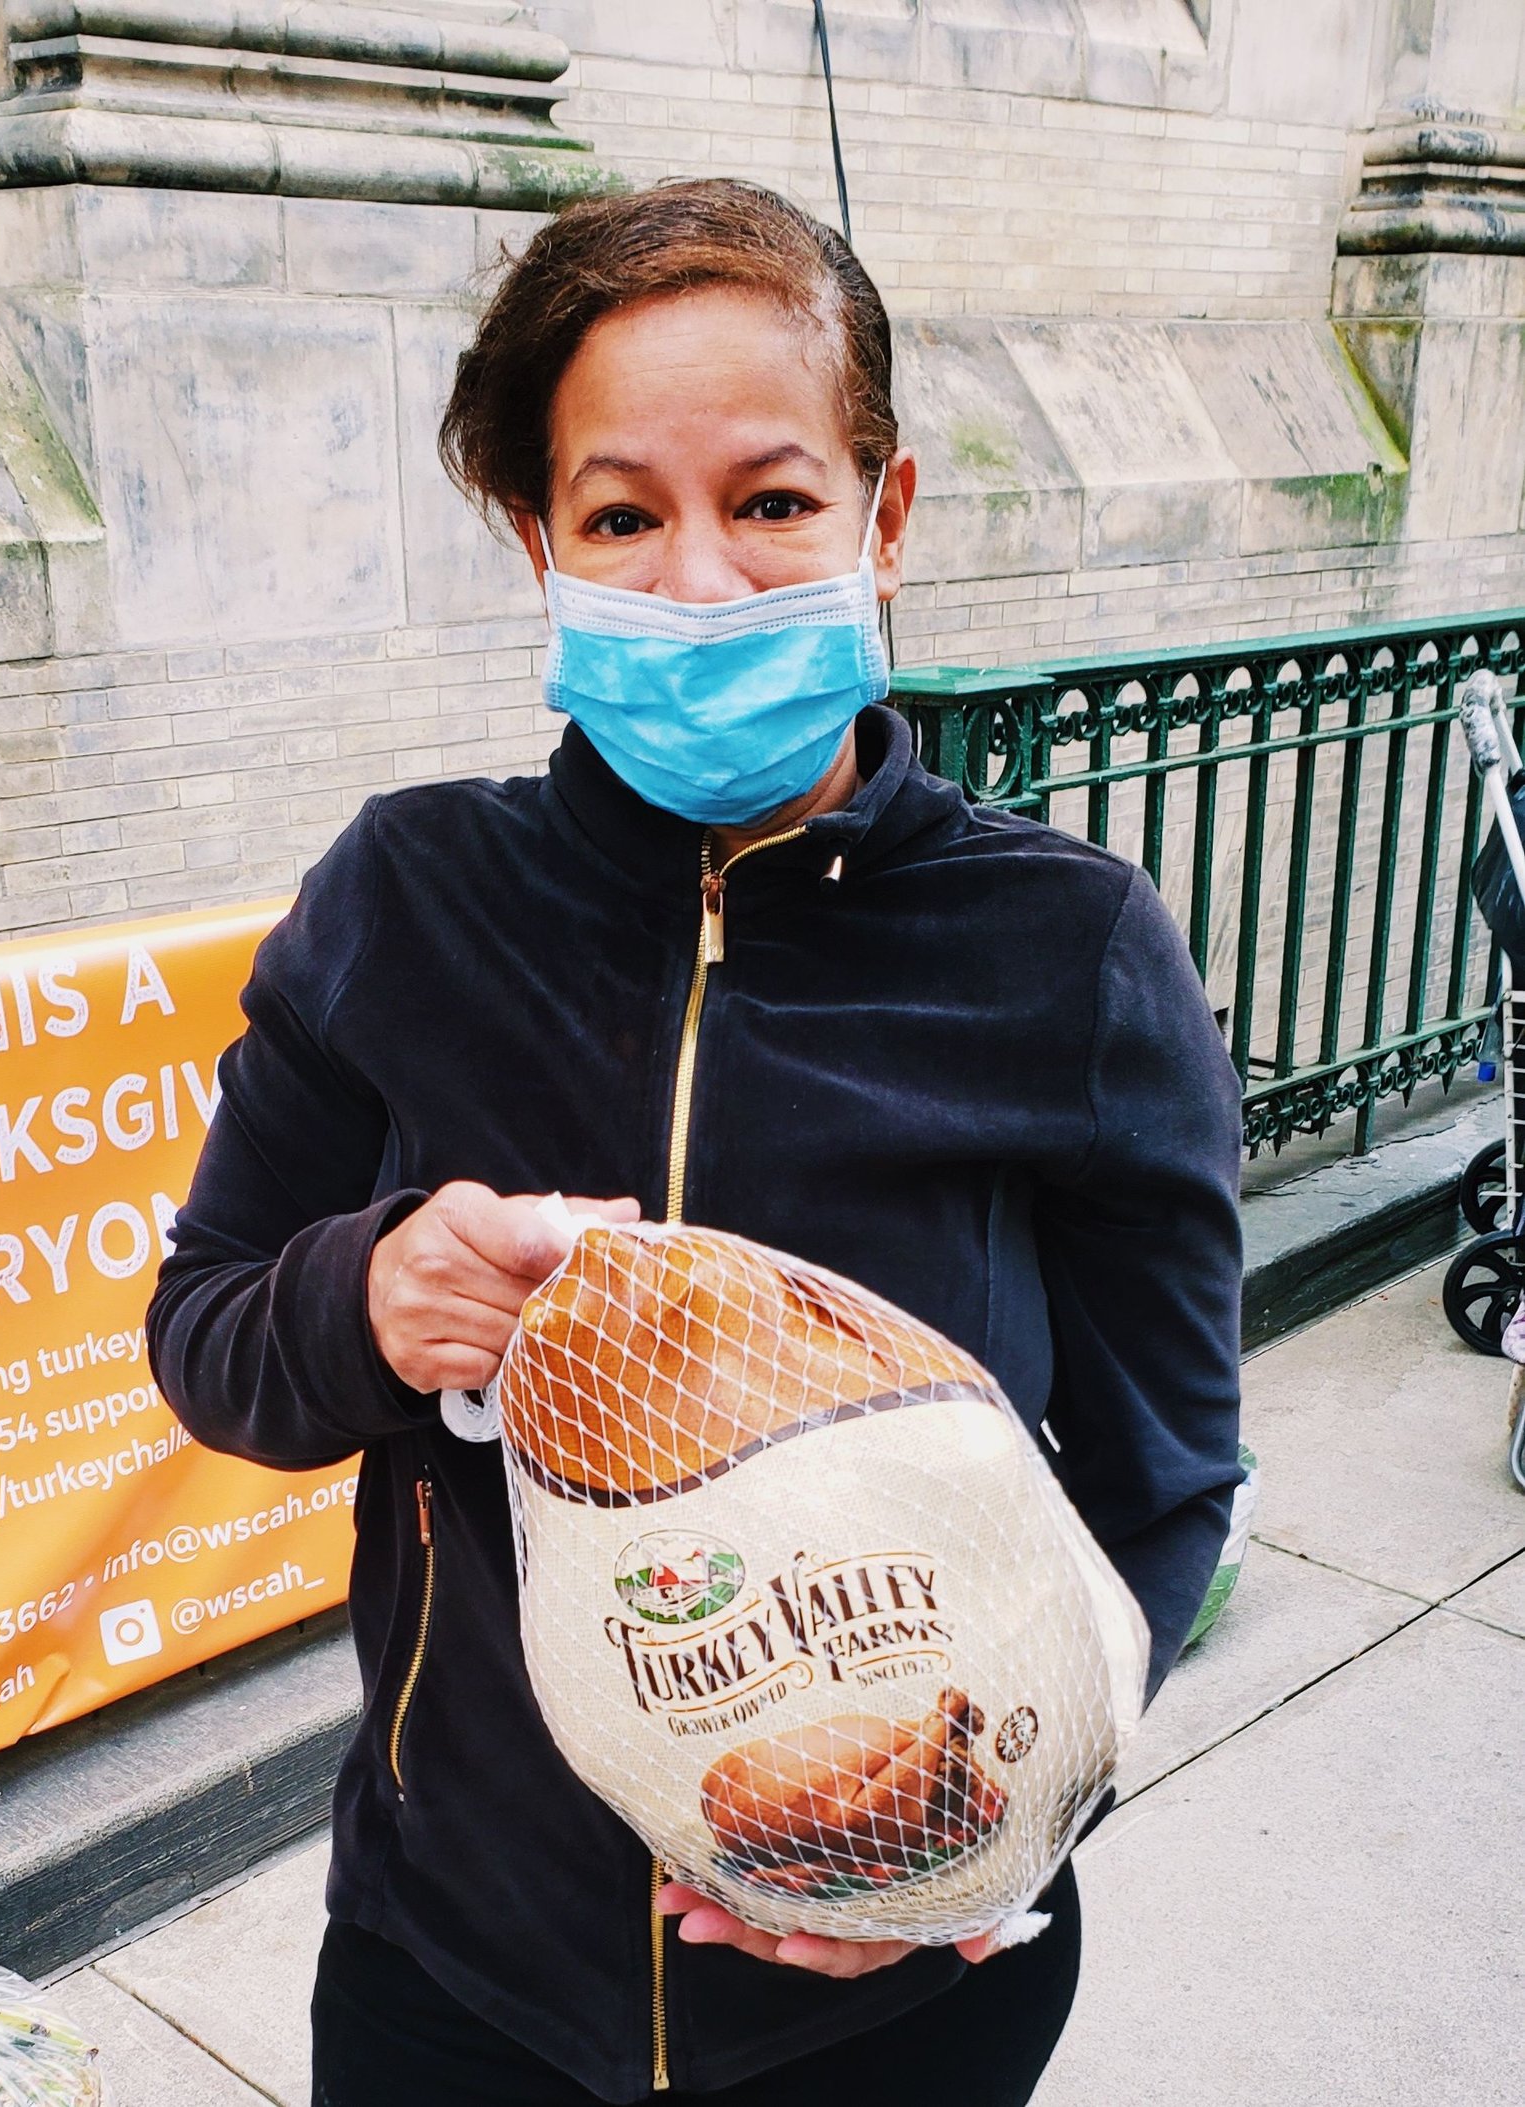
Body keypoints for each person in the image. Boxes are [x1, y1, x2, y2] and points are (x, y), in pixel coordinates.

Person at [147, 178, 1242, 2106]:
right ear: (537, 542)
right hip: (451, 1973)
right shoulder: (401, 900)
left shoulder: (1065, 950)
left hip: (900, 2002)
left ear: (882, 518)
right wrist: (368, 1293)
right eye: (622, 515)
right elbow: (208, 1333)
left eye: (773, 500)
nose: (702, 585)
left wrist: (1005, 1824)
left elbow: (1161, 1484)